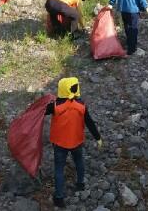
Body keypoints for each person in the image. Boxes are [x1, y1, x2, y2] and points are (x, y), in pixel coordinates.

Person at [45, 77, 103, 208]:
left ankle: (59, 198)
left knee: (59, 169)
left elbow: (41, 112)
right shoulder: (81, 105)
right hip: (76, 141)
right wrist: (98, 138)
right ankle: (80, 184)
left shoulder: (55, 106)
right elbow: (90, 122)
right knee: (79, 162)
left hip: (60, 143)